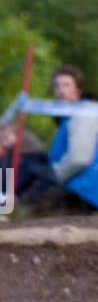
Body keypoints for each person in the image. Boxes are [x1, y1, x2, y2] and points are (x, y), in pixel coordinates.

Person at [44, 64, 98, 211]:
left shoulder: (83, 115)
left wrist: (53, 178)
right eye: (57, 86)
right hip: (78, 188)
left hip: (85, 192)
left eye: (66, 85)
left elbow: (79, 158)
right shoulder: (68, 118)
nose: (61, 90)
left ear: (78, 90)